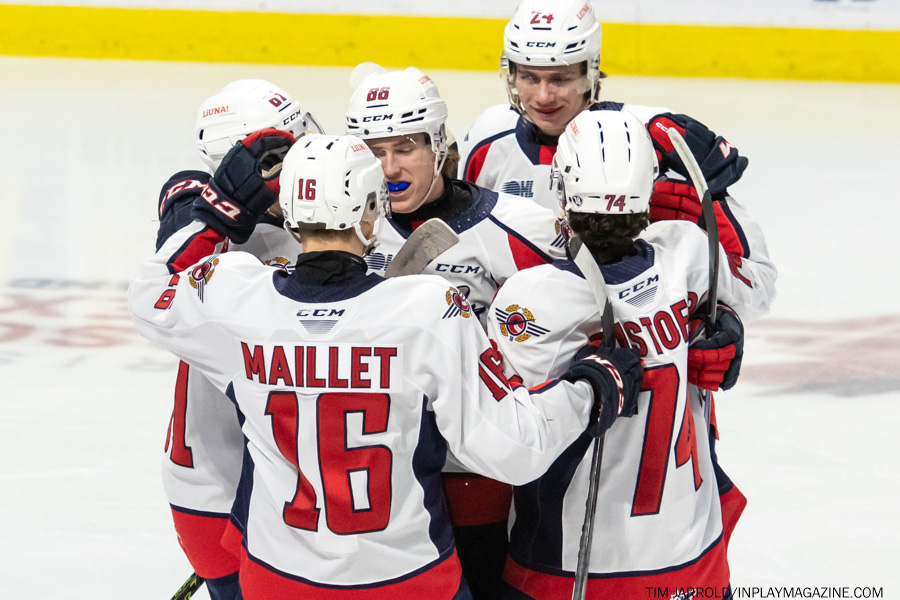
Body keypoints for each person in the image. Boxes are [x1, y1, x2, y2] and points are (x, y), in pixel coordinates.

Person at [129, 130, 643, 599]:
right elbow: (512, 448)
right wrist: (592, 386)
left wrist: (218, 208)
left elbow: (151, 292)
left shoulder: (232, 296)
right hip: (407, 582)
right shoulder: (427, 310)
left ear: (289, 213)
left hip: (275, 579)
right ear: (372, 211)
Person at [459, 0, 778, 551]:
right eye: (529, 77)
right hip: (531, 387)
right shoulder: (488, 142)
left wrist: (720, 316)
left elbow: (753, 282)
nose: (543, 95)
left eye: (561, 77)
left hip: (645, 396)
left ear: (592, 72)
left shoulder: (653, 146)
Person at [487, 109, 759, 598]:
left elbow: (505, 438)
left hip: (573, 566)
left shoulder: (534, 296)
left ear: (561, 188)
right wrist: (719, 199)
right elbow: (755, 284)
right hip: (692, 552)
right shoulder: (687, 253)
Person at [345, 65, 567, 599]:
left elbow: (594, 304)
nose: (389, 168)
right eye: (374, 151)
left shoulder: (518, 226)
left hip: (471, 467)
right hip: (371, 469)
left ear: (438, 143)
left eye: (405, 148)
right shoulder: (339, 231)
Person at [155, 78, 321, 600]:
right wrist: (225, 205)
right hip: (217, 483)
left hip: (316, 481)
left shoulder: (334, 209)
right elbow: (180, 219)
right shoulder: (203, 217)